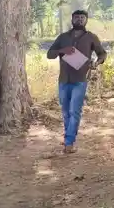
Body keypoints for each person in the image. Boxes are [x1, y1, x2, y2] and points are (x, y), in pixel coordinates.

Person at [46, 10, 107, 154]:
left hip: (80, 80)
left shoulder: (91, 37)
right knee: (66, 112)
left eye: (82, 18)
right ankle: (69, 138)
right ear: (72, 19)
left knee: (74, 111)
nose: (79, 20)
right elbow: (49, 54)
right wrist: (63, 50)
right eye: (76, 17)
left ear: (86, 20)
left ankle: (69, 142)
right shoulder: (63, 37)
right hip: (63, 80)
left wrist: (97, 62)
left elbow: (102, 53)